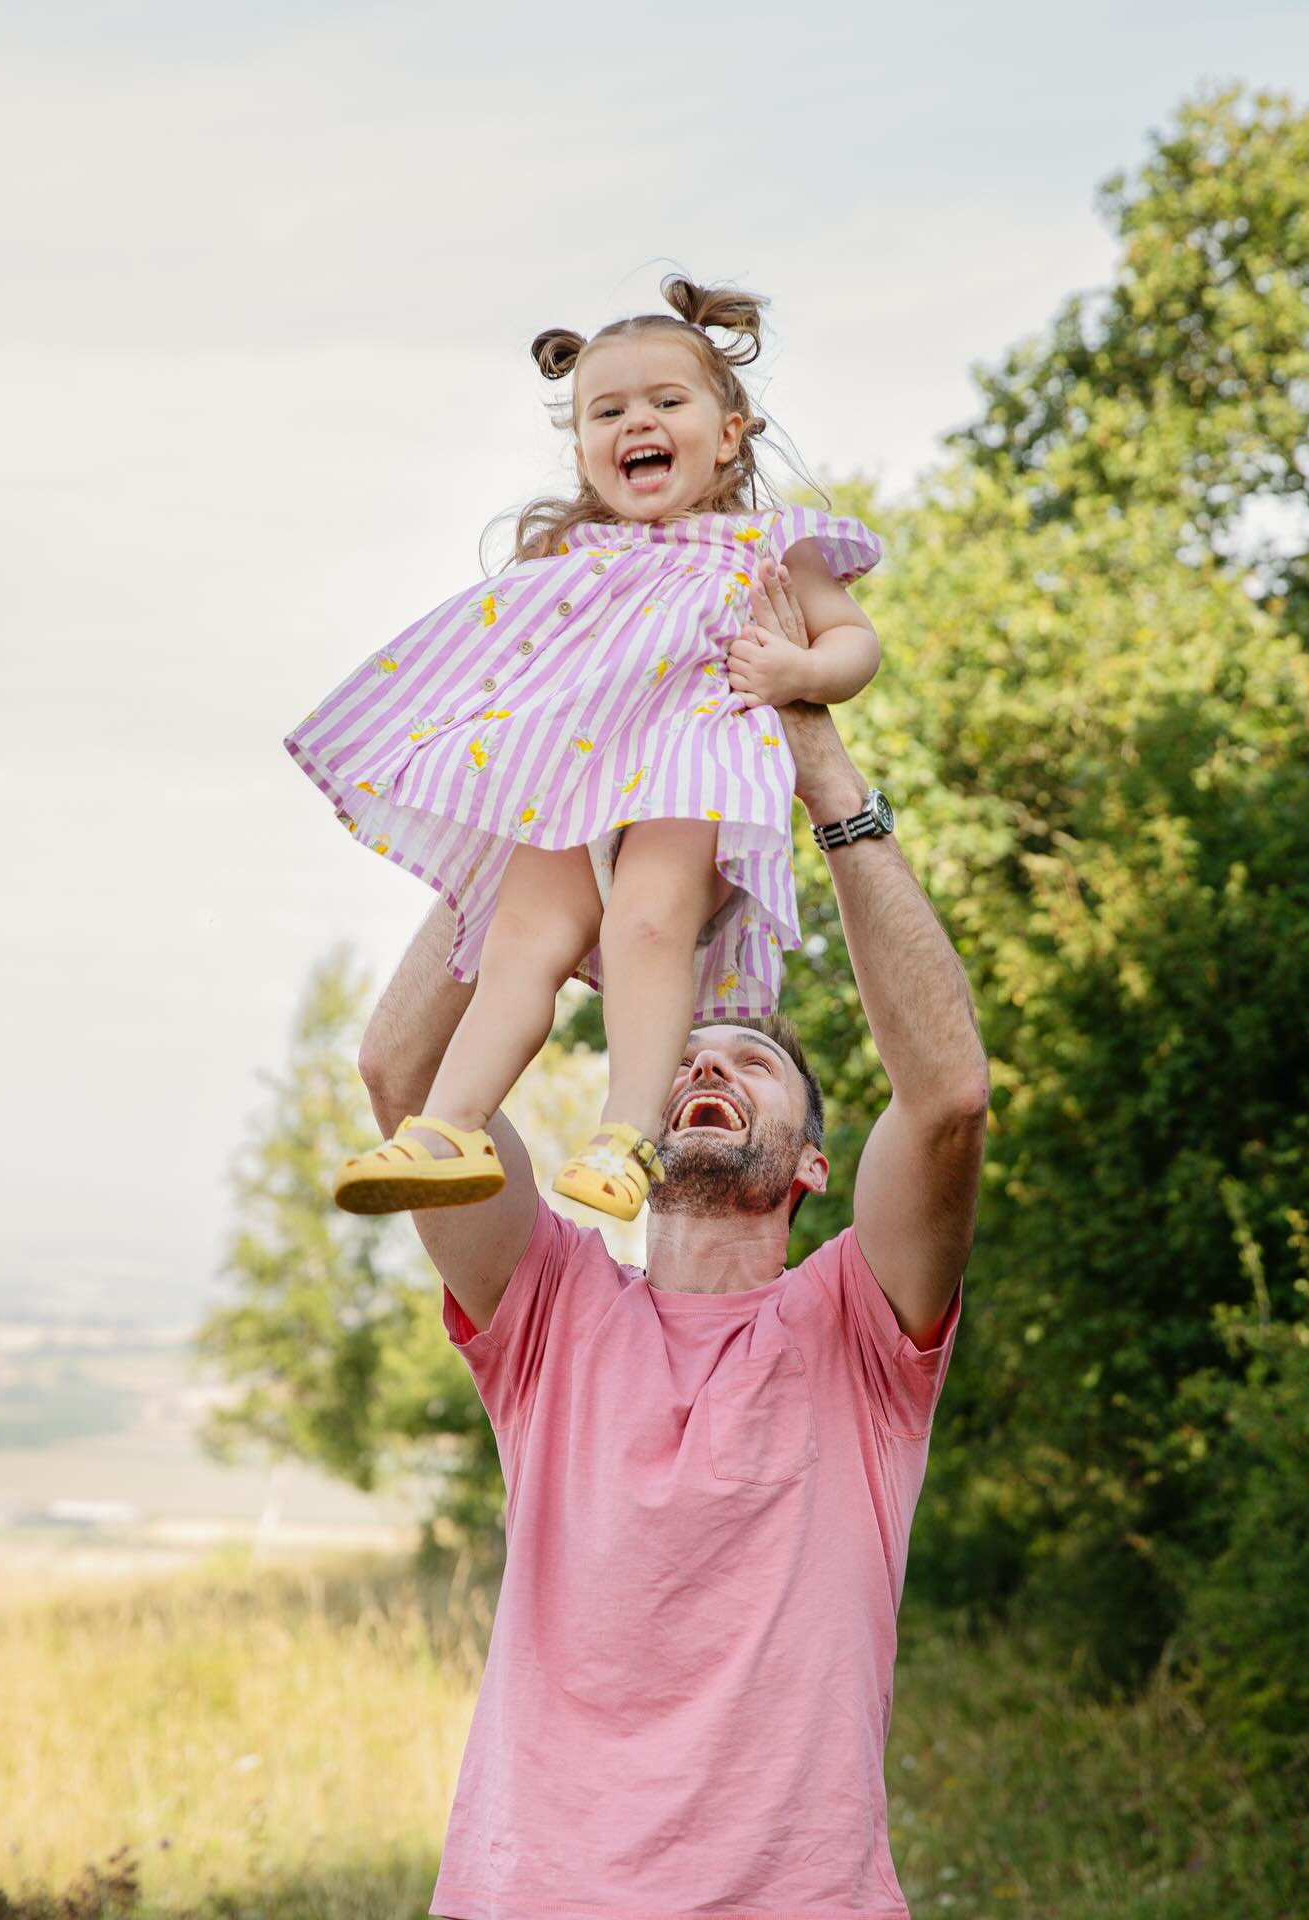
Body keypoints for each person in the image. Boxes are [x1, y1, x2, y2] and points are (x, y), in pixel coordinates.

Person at [356, 575, 990, 1918]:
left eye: (751, 1056)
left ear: (814, 1160)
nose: (709, 1064)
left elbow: (947, 1099)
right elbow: (403, 1071)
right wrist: (541, 782)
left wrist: (815, 745)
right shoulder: (548, 1318)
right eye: (685, 1051)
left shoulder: (859, 1340)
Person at [285, 274, 884, 1223]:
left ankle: (627, 1134)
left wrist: (795, 675)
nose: (634, 421)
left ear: (728, 435)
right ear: (582, 448)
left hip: (690, 773)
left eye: (665, 402)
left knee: (646, 921)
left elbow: (857, 643)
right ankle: (448, 1128)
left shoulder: (769, 546)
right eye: (607, 410)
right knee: (521, 938)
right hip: (572, 782)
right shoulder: (574, 562)